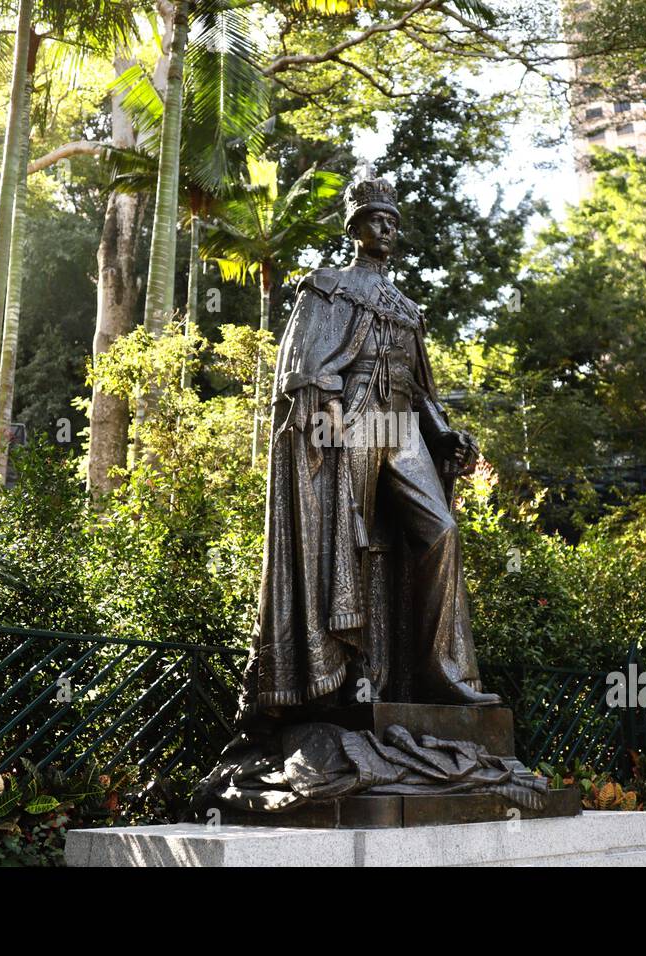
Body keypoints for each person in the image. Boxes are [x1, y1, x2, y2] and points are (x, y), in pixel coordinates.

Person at [238, 177, 500, 717]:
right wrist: (325, 406)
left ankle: (438, 673)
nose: (386, 228)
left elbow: (422, 389)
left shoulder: (407, 308)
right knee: (347, 542)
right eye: (376, 219)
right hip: (352, 422)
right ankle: (345, 678)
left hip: (401, 429)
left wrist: (445, 432)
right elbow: (303, 367)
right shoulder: (327, 287)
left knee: (440, 531)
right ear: (354, 228)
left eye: (393, 221)